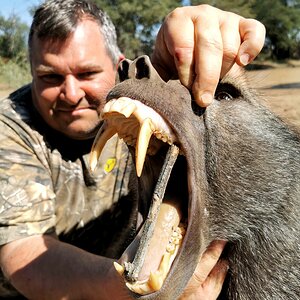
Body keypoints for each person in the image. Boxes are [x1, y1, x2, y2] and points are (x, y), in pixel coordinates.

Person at [0, 0, 265, 299]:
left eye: (87, 74)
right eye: (50, 77)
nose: (72, 94)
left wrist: (204, 40)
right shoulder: (10, 125)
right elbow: (24, 256)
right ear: (33, 73)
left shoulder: (139, 103)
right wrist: (143, 286)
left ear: (118, 67)